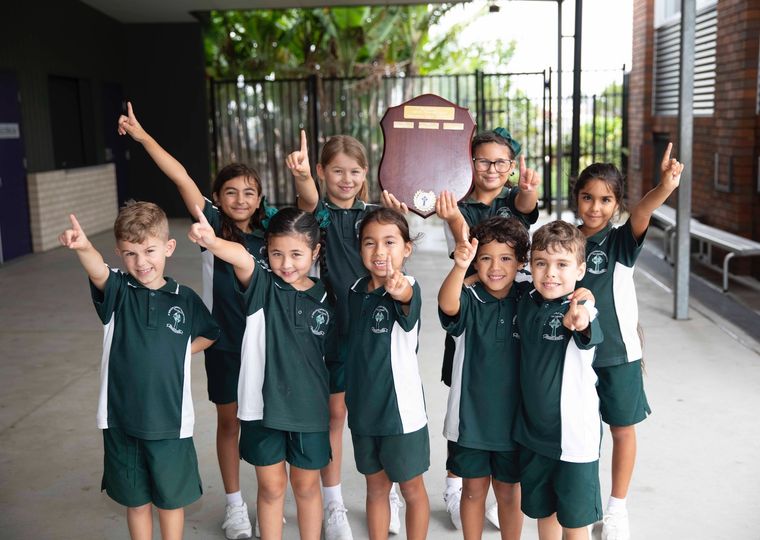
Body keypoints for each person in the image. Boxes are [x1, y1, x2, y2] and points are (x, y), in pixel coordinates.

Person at [118, 102, 268, 539]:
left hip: (264, 343)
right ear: (217, 198)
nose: (240, 200)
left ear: (260, 199)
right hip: (223, 344)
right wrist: (144, 138)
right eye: (231, 192)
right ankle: (235, 506)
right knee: (230, 422)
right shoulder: (213, 226)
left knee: (264, 425)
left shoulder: (271, 233)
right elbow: (181, 176)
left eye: (249, 192)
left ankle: (266, 504)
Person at [58, 201, 219, 540]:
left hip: (170, 422)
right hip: (121, 420)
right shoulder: (117, 291)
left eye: (149, 250)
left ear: (168, 247)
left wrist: (179, 353)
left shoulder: (184, 299)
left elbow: (209, 333)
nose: (141, 262)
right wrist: (84, 247)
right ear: (119, 253)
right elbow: (97, 270)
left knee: (171, 501)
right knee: (136, 501)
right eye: (130, 253)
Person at [188, 206, 337, 540]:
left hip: (308, 413)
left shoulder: (327, 298)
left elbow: (334, 358)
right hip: (262, 410)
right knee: (271, 488)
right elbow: (240, 257)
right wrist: (212, 242)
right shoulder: (261, 286)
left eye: (297, 254)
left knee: (306, 486)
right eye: (277, 253)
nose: (286, 263)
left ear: (315, 252)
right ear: (266, 252)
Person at [287, 131, 403, 538]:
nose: (346, 179)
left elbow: (398, 243)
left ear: (365, 172)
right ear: (322, 171)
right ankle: (333, 501)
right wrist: (302, 175)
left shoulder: (375, 214)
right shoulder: (317, 216)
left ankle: (386, 492)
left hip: (377, 327)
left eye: (354, 171)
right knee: (336, 414)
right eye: (336, 170)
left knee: (380, 413)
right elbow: (307, 197)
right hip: (336, 329)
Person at [573, 144, 683, 540]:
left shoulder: (620, 242)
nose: (595, 207)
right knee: (581, 434)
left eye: (605, 199)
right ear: (576, 198)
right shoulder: (564, 241)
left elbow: (643, 212)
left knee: (621, 429)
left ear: (617, 203)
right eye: (588, 197)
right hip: (573, 356)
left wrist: (665, 185)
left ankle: (617, 510)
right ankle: (583, 505)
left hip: (617, 354)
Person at [434, 128, 541, 530]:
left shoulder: (514, 202)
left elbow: (527, 206)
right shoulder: (458, 204)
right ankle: (454, 482)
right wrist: (454, 223)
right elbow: (465, 252)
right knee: (462, 380)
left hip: (511, 392)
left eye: (501, 162)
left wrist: (527, 188)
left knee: (509, 490)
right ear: (469, 163)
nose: (492, 168)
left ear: (511, 167)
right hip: (471, 315)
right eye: (483, 160)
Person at [438, 217, 531, 540]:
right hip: (470, 422)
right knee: (473, 492)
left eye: (506, 258)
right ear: (476, 261)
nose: (495, 267)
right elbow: (447, 304)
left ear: (521, 261)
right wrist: (462, 269)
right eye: (486, 258)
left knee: (508, 493)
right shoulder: (469, 298)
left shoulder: (528, 299)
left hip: (514, 423)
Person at [341, 207, 430, 540]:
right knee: (376, 488)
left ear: (407, 248)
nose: (379, 252)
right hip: (364, 412)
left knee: (411, 489)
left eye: (390, 242)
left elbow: (406, 297)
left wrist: (399, 290)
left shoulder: (407, 287)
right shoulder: (354, 291)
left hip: (400, 415)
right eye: (370, 243)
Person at [514, 220, 603, 540]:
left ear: (580, 270)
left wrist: (580, 316)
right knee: (544, 513)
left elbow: (586, 324)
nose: (550, 273)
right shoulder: (527, 302)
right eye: (542, 263)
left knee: (574, 521)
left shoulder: (581, 308)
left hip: (574, 440)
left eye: (562, 265)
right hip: (534, 435)